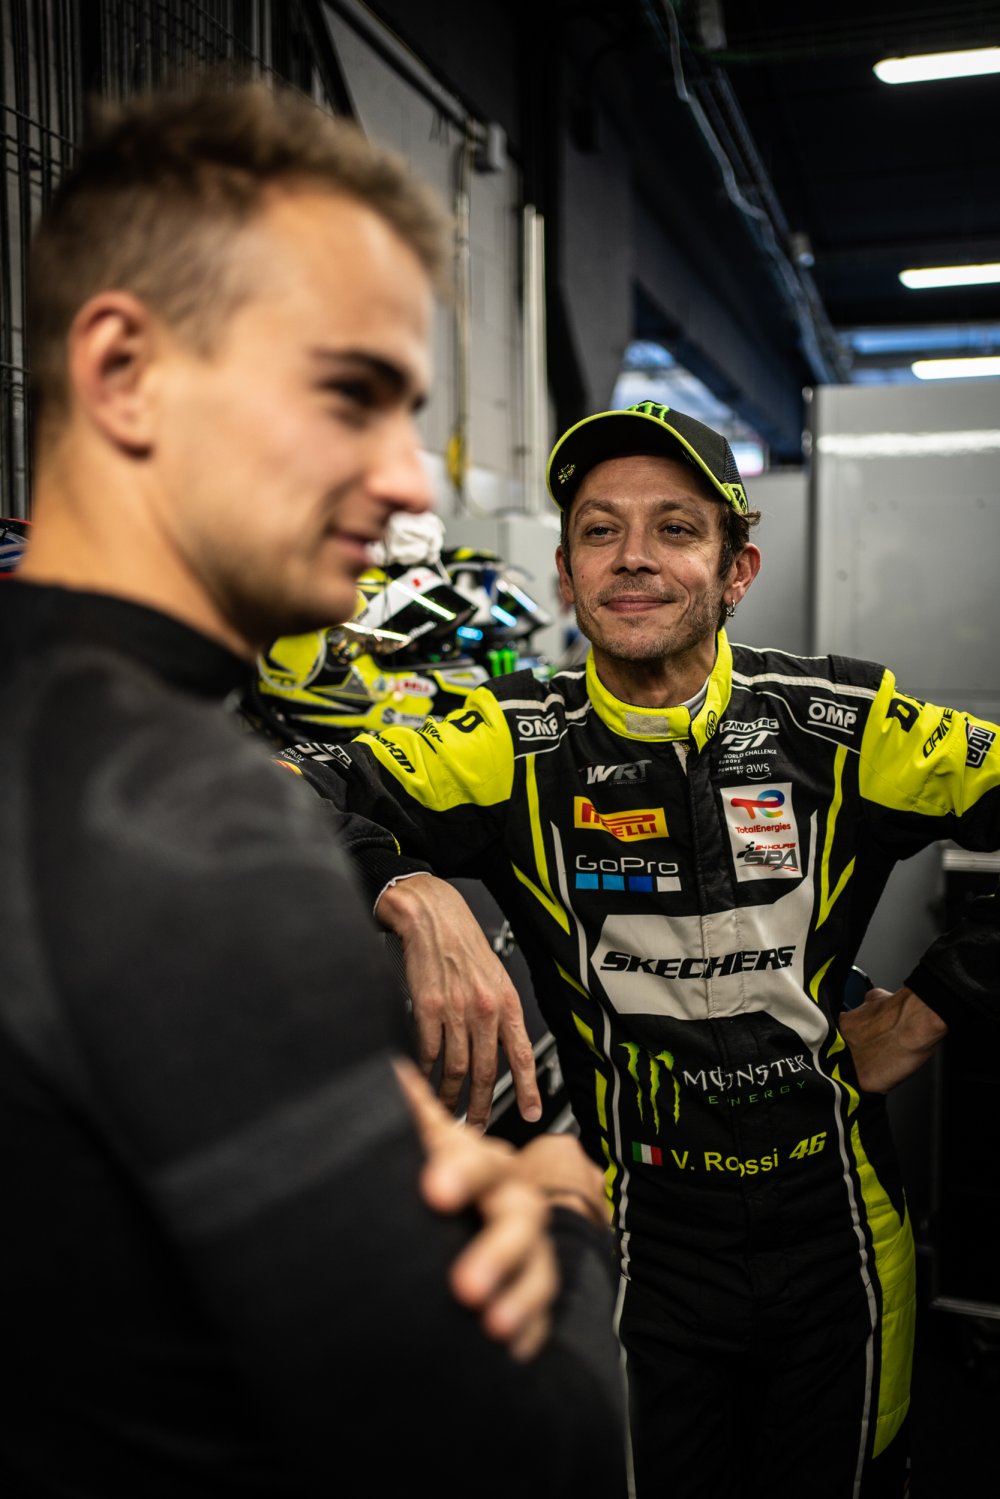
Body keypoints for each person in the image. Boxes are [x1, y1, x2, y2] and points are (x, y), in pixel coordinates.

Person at [0, 80, 628, 1497]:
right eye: (351, 394)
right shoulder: (185, 822)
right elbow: (520, 1457)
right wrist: (560, 1205)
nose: (410, 482)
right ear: (125, 372)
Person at [277, 398, 1000, 1498]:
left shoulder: (840, 722)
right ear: (567, 576)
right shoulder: (511, 737)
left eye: (675, 528)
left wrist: (942, 995)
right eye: (600, 530)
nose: (633, 557)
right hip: (640, 1246)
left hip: (840, 1237)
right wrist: (404, 883)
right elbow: (265, 788)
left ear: (736, 569)